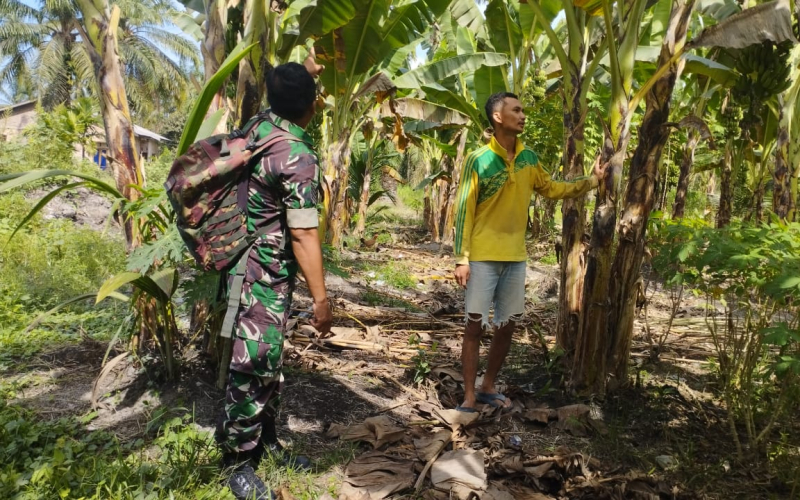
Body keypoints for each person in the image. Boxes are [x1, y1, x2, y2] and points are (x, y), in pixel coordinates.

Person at [216, 57, 332, 500]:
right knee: (254, 360)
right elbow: (302, 232)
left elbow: (284, 94)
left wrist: (302, 72)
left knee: (268, 356)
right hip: (263, 268)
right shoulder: (296, 155)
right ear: (312, 106)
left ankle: (265, 442)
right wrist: (321, 299)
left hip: (245, 258)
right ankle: (237, 460)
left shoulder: (259, 126)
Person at [453, 92, 604, 412]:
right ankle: (468, 395)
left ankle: (488, 385)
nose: (523, 116)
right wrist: (461, 258)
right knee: (474, 326)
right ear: (497, 117)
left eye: (523, 110)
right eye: (516, 110)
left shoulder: (529, 159)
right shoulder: (478, 159)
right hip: (481, 256)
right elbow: (464, 209)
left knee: (506, 325)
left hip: (515, 257)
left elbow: (552, 188)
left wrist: (592, 181)